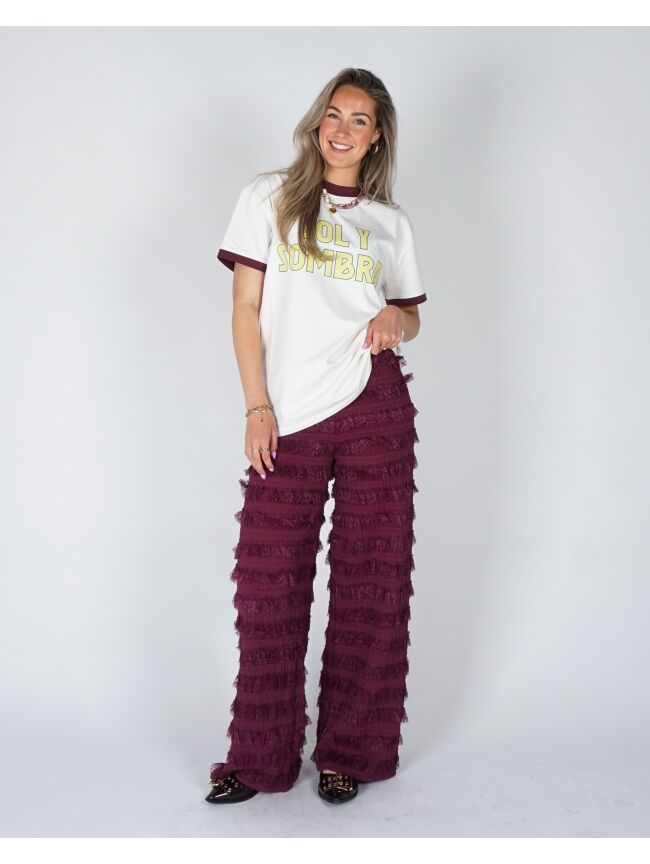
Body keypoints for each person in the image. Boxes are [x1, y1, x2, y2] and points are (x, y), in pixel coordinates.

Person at [205, 67, 427, 806]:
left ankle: (349, 754)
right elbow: (245, 308)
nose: (343, 129)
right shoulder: (269, 197)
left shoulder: (389, 223)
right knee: (268, 585)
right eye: (335, 114)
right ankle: (258, 759)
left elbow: (408, 314)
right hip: (287, 413)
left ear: (376, 138)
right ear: (317, 122)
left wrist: (399, 318)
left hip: (375, 406)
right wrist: (256, 407)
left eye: (360, 119)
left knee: (372, 583)